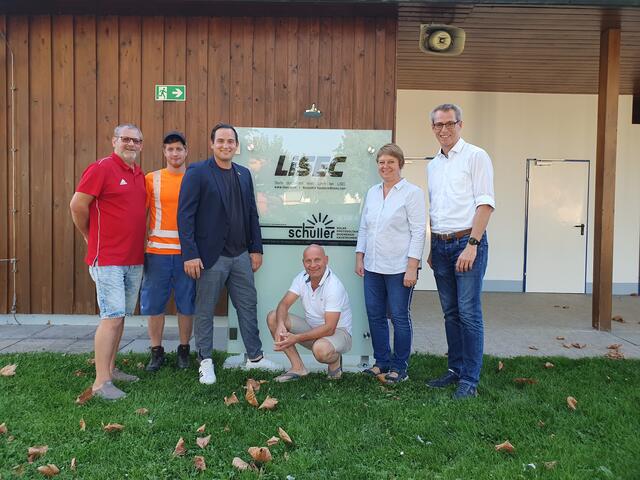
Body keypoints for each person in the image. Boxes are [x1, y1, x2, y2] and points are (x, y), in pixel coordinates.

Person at [177, 122, 280, 385]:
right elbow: (185, 216)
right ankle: (205, 360)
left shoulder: (244, 174)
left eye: (230, 142)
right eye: (220, 141)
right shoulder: (198, 171)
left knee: (247, 305)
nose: (225, 145)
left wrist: (256, 249)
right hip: (210, 256)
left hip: (241, 255)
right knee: (205, 310)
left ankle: (254, 357)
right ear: (212, 144)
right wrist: (190, 254)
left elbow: (251, 214)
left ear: (237, 146)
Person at [69, 124, 146, 400]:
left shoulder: (139, 175)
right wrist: (89, 235)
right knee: (111, 317)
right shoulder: (101, 168)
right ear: (114, 141)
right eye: (125, 139)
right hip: (108, 259)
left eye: (136, 141)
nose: (131, 144)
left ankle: (111, 369)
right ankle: (101, 382)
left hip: (133, 258)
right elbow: (77, 205)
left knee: (120, 316)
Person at [425, 103, 495, 399]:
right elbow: (436, 210)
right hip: (440, 245)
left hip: (467, 244)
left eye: (449, 124)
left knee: (468, 314)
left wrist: (472, 245)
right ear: (433, 128)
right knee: (450, 313)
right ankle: (455, 369)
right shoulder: (433, 165)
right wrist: (431, 248)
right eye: (438, 125)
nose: (444, 129)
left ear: (460, 125)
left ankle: (470, 379)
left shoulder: (476, 156)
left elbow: (485, 203)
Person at [355, 143, 426, 384]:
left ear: (400, 164)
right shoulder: (373, 192)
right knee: (375, 316)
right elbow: (364, 227)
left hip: (399, 268)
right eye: (381, 162)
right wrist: (359, 256)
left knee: (398, 317)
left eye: (390, 162)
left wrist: (412, 266)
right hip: (373, 267)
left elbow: (418, 232)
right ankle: (382, 361)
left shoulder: (412, 193)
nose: (385, 167)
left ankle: (399, 367)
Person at [140, 131, 195, 372]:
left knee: (187, 304)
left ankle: (184, 350)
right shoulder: (151, 179)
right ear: (164, 152)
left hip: (187, 255)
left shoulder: (195, 178)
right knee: (154, 305)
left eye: (179, 149)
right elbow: (139, 213)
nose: (175, 153)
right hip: (157, 252)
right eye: (170, 149)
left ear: (186, 152)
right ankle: (156, 351)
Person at [267, 244, 352, 382]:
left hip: (338, 332)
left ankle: (335, 360)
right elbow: (284, 304)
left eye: (317, 260)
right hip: (313, 328)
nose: (313, 265)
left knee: (320, 350)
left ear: (326, 260)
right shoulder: (302, 277)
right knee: (273, 317)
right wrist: (281, 324)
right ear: (303, 262)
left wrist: (296, 338)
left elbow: (330, 328)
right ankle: (298, 368)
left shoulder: (334, 286)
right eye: (308, 261)